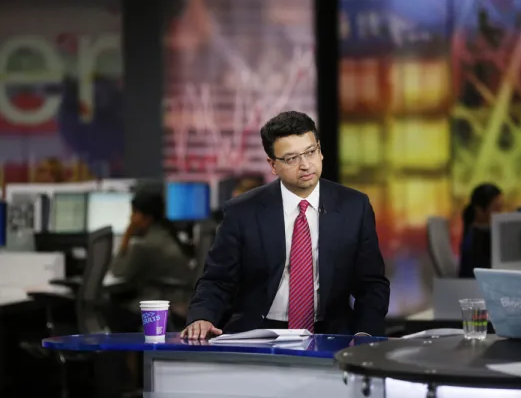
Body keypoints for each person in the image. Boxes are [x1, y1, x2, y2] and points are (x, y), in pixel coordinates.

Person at [181, 111, 390, 339]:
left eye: (310, 152)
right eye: (291, 159)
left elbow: (371, 284)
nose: (305, 165)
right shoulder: (243, 211)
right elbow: (217, 280)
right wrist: (202, 317)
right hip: (258, 333)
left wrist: (365, 334)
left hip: (330, 334)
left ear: (320, 150)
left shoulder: (354, 206)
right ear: (273, 165)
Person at [110, 186, 194, 316]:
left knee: (108, 306)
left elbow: (118, 271)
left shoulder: (144, 246)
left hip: (162, 306)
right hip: (179, 304)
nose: (131, 218)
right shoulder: (166, 234)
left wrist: (127, 236)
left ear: (147, 218)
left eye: (134, 213)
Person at [459, 183, 503, 278]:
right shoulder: (476, 240)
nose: (500, 214)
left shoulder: (475, 233)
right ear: (479, 210)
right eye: (496, 209)